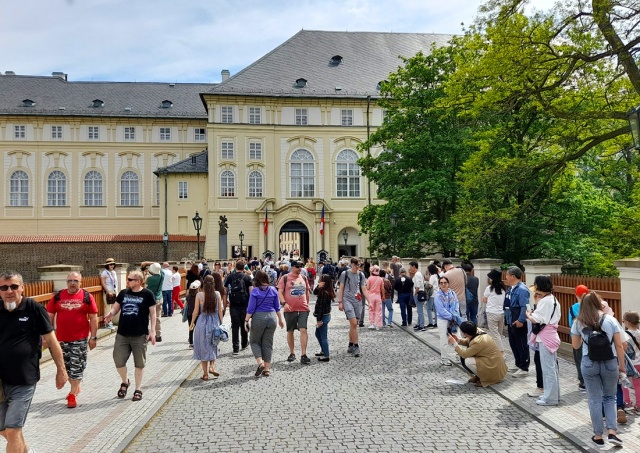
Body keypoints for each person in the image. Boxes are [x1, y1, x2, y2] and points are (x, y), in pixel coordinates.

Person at [0, 271, 68, 453]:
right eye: (4, 287)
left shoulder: (33, 308)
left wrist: (61, 370)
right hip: (0, 382)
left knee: (13, 430)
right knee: (5, 430)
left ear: (22, 288)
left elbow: (52, 341)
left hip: (24, 379)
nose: (9, 291)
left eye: (14, 286)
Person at [571, 292, 625, 448]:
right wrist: (621, 365)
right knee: (610, 397)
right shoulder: (611, 319)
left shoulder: (578, 322)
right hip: (610, 362)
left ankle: (598, 436)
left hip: (589, 363)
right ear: (599, 303)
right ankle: (613, 433)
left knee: (594, 399)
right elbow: (619, 345)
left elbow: (575, 346)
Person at [46, 272, 98, 408]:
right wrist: (47, 336)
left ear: (81, 282)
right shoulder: (58, 296)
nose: (72, 283)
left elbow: (93, 318)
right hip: (60, 339)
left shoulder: (87, 297)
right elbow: (49, 316)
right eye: (70, 281)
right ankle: (75, 386)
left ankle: (72, 394)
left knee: (76, 366)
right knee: (65, 367)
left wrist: (93, 337)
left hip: (79, 339)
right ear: (66, 282)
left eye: (75, 281)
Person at [104, 270, 157, 402]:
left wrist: (153, 331)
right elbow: (116, 308)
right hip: (122, 333)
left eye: (130, 279)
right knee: (118, 361)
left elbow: (153, 314)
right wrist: (111, 314)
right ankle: (125, 381)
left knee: (139, 363)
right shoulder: (123, 293)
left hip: (140, 334)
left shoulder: (147, 294)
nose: (127, 281)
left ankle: (138, 389)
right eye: (127, 279)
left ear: (138, 281)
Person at [526, 276, 561, 406]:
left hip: (545, 337)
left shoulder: (546, 301)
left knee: (548, 369)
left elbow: (537, 319)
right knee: (551, 368)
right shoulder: (553, 299)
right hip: (551, 335)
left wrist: (529, 314)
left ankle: (550, 397)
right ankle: (553, 395)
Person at [245, 271, 284, 377]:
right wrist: (280, 319)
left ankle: (260, 363)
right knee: (268, 343)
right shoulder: (273, 290)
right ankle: (267, 369)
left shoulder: (255, 291)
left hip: (259, 318)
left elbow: (251, 308)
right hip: (272, 318)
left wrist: (246, 321)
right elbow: (277, 307)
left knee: (254, 341)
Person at [448, 321, 507, 387]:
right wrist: (458, 340)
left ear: (465, 334)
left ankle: (487, 379)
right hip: (492, 361)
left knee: (468, 361)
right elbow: (468, 341)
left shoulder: (478, 341)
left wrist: (454, 344)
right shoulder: (477, 331)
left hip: (493, 366)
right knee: (468, 359)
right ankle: (478, 376)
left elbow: (464, 354)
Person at [190, 275, 224, 380]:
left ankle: (205, 374)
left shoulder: (199, 295)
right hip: (214, 322)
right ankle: (212, 367)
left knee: (202, 346)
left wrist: (192, 322)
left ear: (203, 284)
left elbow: (195, 311)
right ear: (213, 284)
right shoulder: (217, 294)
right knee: (213, 344)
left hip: (202, 322)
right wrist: (222, 323)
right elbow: (220, 310)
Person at [278, 260, 312, 364]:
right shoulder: (285, 278)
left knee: (303, 330)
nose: (299, 269)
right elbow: (280, 292)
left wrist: (307, 304)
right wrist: (284, 303)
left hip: (303, 308)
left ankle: (303, 354)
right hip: (290, 309)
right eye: (297, 267)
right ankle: (292, 353)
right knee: (290, 331)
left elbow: (307, 292)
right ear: (292, 267)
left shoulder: (304, 278)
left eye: (301, 267)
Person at [337, 257, 369, 357]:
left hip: (358, 301)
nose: (357, 267)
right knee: (354, 323)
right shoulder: (345, 274)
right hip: (347, 300)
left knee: (354, 325)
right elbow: (341, 288)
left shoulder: (361, 274)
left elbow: (363, 288)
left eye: (359, 265)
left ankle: (350, 344)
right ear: (352, 264)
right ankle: (356, 346)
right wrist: (340, 302)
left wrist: (369, 301)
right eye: (356, 265)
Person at [505, 266, 530, 377]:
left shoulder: (522, 289)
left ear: (513, 276)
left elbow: (524, 306)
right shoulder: (511, 288)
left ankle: (524, 366)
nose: (506, 277)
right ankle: (518, 362)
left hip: (518, 317)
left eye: (507, 275)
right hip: (510, 317)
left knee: (521, 343)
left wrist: (521, 320)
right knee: (513, 342)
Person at [224, 261, 253, 355]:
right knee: (244, 323)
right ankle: (244, 343)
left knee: (235, 326)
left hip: (233, 304)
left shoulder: (230, 277)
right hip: (245, 304)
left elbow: (225, 291)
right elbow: (251, 293)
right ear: (243, 267)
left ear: (235, 267)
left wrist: (225, 303)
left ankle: (235, 348)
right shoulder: (247, 277)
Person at [434, 276, 462, 366]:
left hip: (454, 319)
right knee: (444, 339)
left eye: (445, 282)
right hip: (443, 320)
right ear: (439, 284)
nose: (443, 284)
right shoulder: (438, 295)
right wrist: (452, 317)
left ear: (448, 283)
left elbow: (456, 303)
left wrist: (456, 314)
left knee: (457, 337)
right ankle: (444, 358)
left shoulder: (452, 293)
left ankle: (459, 355)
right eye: (441, 283)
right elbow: (441, 310)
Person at [569, 284, 589, 391]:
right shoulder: (592, 307)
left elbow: (570, 324)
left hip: (577, 337)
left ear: (576, 295)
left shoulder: (573, 308)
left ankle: (582, 382)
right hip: (590, 338)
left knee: (579, 359)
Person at [482, 269, 506, 356]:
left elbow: (484, 299)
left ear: (492, 279)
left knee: (495, 334)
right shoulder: (503, 289)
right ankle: (495, 351)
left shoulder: (489, 288)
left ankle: (502, 353)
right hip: (501, 313)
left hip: (491, 313)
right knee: (498, 334)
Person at [622, 311, 640, 414]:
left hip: (628, 363)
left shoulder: (624, 335)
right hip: (639, 362)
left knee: (624, 383)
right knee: (638, 385)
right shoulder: (639, 333)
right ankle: (638, 405)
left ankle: (627, 403)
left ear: (627, 322)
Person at [313, 274, 335, 361]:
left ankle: (326, 355)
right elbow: (314, 292)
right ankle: (323, 350)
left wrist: (319, 320)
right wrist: (318, 286)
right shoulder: (324, 290)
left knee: (323, 336)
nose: (319, 280)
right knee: (317, 334)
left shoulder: (324, 293)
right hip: (325, 316)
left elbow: (321, 308)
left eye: (320, 279)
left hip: (323, 317)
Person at [145, 263, 164, 342]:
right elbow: (160, 269)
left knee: (148, 317)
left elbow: (145, 282)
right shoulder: (162, 275)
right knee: (157, 318)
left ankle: (148, 334)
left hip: (151, 299)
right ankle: (158, 335)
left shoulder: (150, 279)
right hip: (159, 298)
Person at [100, 257, 118, 329]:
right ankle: (107, 323)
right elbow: (103, 283)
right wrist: (108, 291)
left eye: (113, 264)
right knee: (107, 308)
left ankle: (110, 321)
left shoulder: (113, 272)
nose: (112, 266)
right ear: (107, 265)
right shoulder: (104, 272)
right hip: (108, 291)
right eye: (110, 265)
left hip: (113, 291)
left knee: (113, 308)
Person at [366, 265, 384, 330]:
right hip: (378, 295)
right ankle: (378, 325)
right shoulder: (380, 279)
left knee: (371, 310)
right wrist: (383, 296)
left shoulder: (369, 278)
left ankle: (372, 323)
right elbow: (382, 289)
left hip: (371, 295)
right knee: (378, 310)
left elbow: (367, 288)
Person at [409, 261, 426, 331]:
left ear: (413, 266)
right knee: (419, 310)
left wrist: (415, 293)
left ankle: (422, 325)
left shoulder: (417, 274)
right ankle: (419, 323)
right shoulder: (417, 274)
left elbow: (418, 285)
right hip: (418, 293)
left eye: (410, 266)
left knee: (420, 311)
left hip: (418, 293)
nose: (410, 268)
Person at [185, 280, 201, 348]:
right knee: (198, 329)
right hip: (197, 314)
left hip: (189, 314)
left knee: (191, 328)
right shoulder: (199, 296)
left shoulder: (188, 296)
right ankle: (198, 342)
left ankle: (191, 343)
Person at [425, 264, 439, 328]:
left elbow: (430, 286)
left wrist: (425, 283)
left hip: (431, 294)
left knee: (429, 308)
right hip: (436, 293)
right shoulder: (436, 275)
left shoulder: (432, 276)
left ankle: (430, 322)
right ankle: (436, 322)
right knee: (436, 309)